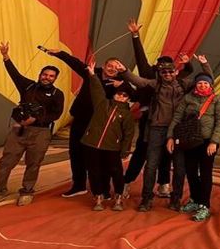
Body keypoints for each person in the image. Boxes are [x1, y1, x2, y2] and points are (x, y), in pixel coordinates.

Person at [122, 20, 197, 211]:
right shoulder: (152, 79)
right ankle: (136, 189)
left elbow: (194, 77)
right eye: (162, 68)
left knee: (174, 163)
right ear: (158, 69)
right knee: (146, 158)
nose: (166, 71)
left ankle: (169, 190)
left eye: (170, 68)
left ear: (174, 70)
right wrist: (135, 38)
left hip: (176, 128)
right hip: (153, 124)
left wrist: (192, 64)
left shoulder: (180, 82)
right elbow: (138, 70)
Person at [0, 42, 65, 207]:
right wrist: (5, 56)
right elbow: (14, 74)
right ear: (40, 74)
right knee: (6, 161)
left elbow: (56, 114)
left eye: (51, 76)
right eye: (45, 74)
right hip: (20, 129)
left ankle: (27, 191)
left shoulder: (58, 94)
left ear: (55, 78)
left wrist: (36, 119)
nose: (47, 77)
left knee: (33, 163)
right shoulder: (27, 86)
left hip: (41, 132)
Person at [45, 47, 128, 198]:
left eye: (116, 68)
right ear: (104, 66)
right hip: (81, 119)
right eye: (110, 66)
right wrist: (59, 53)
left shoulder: (120, 83)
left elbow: (131, 95)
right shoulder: (91, 72)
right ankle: (78, 185)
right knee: (76, 152)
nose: (112, 69)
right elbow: (75, 63)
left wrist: (121, 85)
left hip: (99, 125)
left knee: (99, 157)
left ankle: (104, 189)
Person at [70, 59, 137, 211]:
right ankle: (98, 196)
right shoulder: (102, 103)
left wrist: (125, 150)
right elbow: (96, 88)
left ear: (128, 99)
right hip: (92, 144)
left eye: (124, 95)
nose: (121, 96)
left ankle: (118, 196)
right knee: (93, 170)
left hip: (112, 147)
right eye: (119, 94)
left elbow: (129, 134)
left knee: (116, 171)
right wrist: (93, 75)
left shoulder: (127, 115)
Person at [166, 72, 220, 222]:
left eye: (206, 83)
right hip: (190, 141)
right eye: (200, 83)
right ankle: (195, 199)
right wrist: (170, 137)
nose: (203, 85)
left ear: (210, 85)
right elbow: (177, 117)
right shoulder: (188, 98)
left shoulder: (217, 99)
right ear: (196, 84)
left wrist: (214, 141)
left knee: (205, 173)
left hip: (207, 142)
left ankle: (204, 205)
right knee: (191, 172)